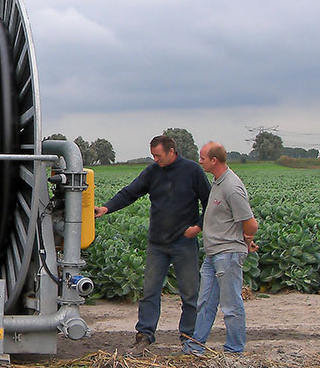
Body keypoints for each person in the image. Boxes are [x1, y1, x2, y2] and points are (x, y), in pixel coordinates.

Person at [94, 134, 210, 350]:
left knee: (190, 293)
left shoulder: (192, 171)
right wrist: (107, 208)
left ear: (171, 152)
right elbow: (131, 192)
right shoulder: (152, 171)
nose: (155, 159)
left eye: (158, 155)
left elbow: (209, 202)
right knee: (150, 291)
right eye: (153, 156)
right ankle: (145, 335)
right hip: (157, 244)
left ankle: (189, 337)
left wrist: (198, 227)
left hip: (184, 243)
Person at [183, 142, 258, 355]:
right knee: (205, 302)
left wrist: (246, 239)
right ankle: (195, 347)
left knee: (231, 305)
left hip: (227, 255)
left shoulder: (232, 187)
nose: (200, 161)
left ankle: (234, 351)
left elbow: (250, 223)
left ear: (214, 160)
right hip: (213, 253)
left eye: (202, 158)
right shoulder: (218, 182)